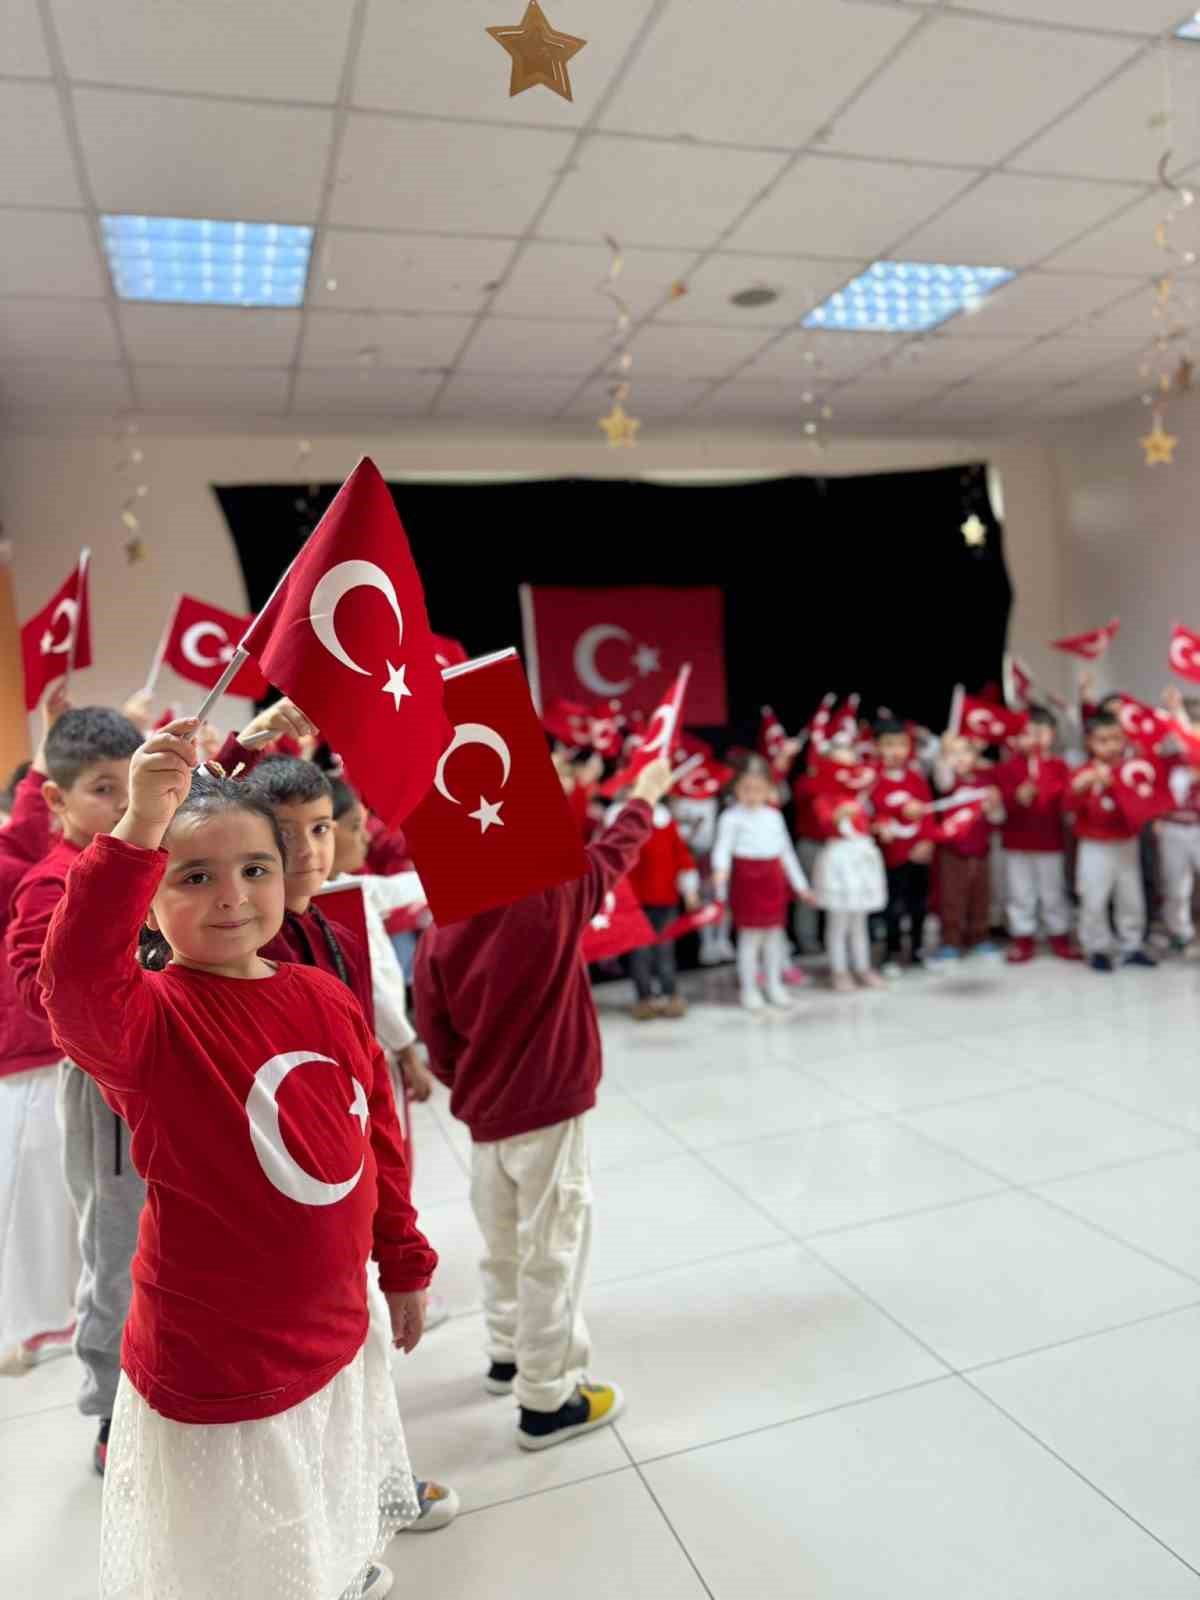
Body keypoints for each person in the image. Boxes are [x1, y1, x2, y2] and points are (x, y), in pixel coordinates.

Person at [38, 722, 436, 1600]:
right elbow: (71, 983)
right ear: (148, 899)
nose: (232, 897)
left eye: (254, 869)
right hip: (220, 1365)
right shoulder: (148, 1024)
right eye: (194, 877)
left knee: (326, 1523)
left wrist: (401, 1255)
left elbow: (373, 1142)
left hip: (335, 1336)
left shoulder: (324, 995)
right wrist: (139, 824)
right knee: (246, 1565)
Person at [412, 758, 673, 1452]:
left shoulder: (442, 925)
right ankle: (546, 1398)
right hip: (550, 1108)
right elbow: (615, 851)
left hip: (485, 1114)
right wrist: (643, 796)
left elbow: (434, 1035)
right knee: (552, 1248)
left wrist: (473, 1082)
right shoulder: (552, 896)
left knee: (500, 1241)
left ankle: (504, 1355)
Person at [6, 706, 144, 1469]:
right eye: (102, 790)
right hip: (102, 1100)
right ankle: (110, 1412)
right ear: (56, 801)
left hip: (165, 1080)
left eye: (135, 787)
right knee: (115, 1251)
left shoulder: (144, 852)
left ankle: (171, 1376)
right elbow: (38, 996)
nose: (123, 806)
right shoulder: (49, 884)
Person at [0, 688, 78, 1376]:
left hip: (44, 1058)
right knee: (29, 1207)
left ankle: (51, 1319)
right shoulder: (18, 873)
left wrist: (50, 745)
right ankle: (33, 1325)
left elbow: (27, 831)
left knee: (56, 1202)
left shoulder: (24, 859)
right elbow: (24, 836)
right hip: (21, 1067)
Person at [328, 779, 435, 1100]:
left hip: (379, 1047)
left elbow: (396, 890)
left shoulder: (349, 887)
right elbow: (369, 988)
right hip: (372, 1051)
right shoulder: (335, 904)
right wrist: (407, 1051)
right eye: (356, 826)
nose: (366, 837)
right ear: (324, 831)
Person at [712, 756, 815, 1011]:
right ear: (736, 788)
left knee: (774, 936)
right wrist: (720, 876)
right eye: (746, 788)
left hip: (772, 880)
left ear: (769, 789)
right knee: (750, 938)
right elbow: (722, 850)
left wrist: (801, 885)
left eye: (758, 789)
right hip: (747, 880)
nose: (752, 795)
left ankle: (774, 984)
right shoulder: (731, 817)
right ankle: (749, 988)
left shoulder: (774, 816)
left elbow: (787, 852)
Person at [1070, 713, 1159, 972]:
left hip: (1126, 843)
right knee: (1094, 898)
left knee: (1131, 896)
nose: (1110, 746)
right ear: (1090, 743)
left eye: (1116, 739)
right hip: (1094, 846)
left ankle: (1131, 944)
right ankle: (1096, 947)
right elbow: (1067, 804)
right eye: (1102, 740)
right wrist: (1082, 785)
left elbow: (1143, 802)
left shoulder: (1131, 770)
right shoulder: (1084, 773)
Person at [994, 708, 1076, 963]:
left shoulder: (1060, 767)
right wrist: (1016, 798)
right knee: (1020, 892)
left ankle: (1059, 936)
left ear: (1052, 735)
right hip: (1017, 842)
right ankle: (1022, 937)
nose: (1035, 739)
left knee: (1053, 891)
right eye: (1027, 733)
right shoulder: (1006, 769)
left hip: (1050, 842)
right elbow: (1000, 806)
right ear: (1015, 739)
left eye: (1041, 732)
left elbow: (1067, 801)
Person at [927, 734, 1005, 963]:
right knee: (952, 899)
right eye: (954, 753)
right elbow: (942, 776)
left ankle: (979, 938)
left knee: (980, 897)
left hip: (981, 850)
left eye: (965, 752)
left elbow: (998, 818)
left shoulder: (985, 783)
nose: (959, 758)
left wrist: (995, 805)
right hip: (953, 851)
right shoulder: (949, 783)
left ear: (975, 756)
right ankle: (950, 941)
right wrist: (943, 754)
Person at [621, 795, 700, 1020]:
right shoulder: (627, 826)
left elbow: (682, 857)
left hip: (666, 901)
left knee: (665, 952)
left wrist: (690, 890)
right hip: (636, 904)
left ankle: (670, 994)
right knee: (640, 953)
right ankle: (644, 998)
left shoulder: (667, 825)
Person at [811, 773, 888, 993]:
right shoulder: (824, 799)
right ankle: (839, 970)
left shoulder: (863, 796)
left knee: (859, 921)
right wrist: (839, 814)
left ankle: (862, 967)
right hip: (840, 862)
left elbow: (874, 819)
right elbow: (824, 824)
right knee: (838, 922)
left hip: (861, 861)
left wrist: (881, 825)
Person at [871, 718, 934, 977]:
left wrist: (927, 841)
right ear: (876, 747)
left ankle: (918, 949)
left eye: (901, 745)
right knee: (892, 907)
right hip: (889, 856)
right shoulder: (870, 779)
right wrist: (880, 825)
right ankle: (892, 952)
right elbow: (868, 813)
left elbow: (929, 812)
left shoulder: (916, 778)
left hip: (917, 854)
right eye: (888, 745)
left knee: (918, 904)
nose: (895, 751)